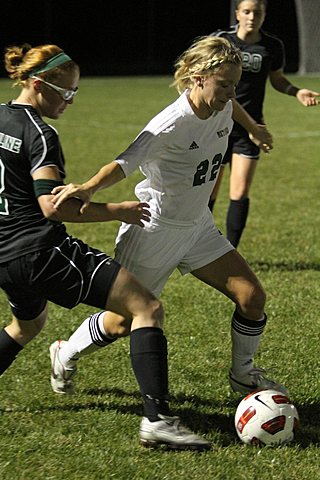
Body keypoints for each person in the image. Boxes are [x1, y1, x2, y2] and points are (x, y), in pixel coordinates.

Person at [50, 35, 287, 407]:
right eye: (223, 84)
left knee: (252, 297)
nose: (230, 93)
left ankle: (243, 375)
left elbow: (233, 108)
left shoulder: (222, 104)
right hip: (154, 229)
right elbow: (125, 161)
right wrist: (90, 187)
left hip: (197, 226)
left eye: (234, 85)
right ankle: (65, 350)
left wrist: (253, 127)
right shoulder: (170, 123)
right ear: (197, 77)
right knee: (122, 322)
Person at [0, 43, 211, 451]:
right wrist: (117, 209)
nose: (71, 101)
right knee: (146, 308)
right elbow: (51, 207)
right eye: (67, 92)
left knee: (27, 325)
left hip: (3, 254)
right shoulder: (39, 133)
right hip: (40, 253)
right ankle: (158, 421)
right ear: (39, 84)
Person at [208, 0, 320, 248]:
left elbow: (277, 79)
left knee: (240, 191)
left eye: (257, 12)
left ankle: (230, 251)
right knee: (208, 190)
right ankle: (193, 244)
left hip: (251, 130)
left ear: (264, 15)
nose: (251, 17)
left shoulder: (272, 46)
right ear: (237, 13)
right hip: (218, 125)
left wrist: (295, 91)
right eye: (246, 11)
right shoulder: (221, 41)